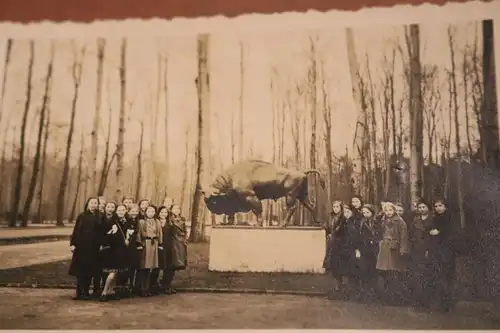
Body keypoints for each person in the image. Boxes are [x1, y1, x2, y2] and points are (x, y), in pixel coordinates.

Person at [422, 198, 457, 312]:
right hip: (435, 251)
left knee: (446, 276)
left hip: (447, 251)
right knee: (437, 276)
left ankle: (447, 303)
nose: (438, 208)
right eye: (436, 206)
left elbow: (453, 232)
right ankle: (439, 302)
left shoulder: (450, 217)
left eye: (440, 205)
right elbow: (429, 232)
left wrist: (440, 232)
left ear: (445, 206)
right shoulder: (434, 218)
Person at [375, 202, 409, 304]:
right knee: (384, 271)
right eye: (386, 210)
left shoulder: (400, 222)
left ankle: (394, 296)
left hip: (395, 248)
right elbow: (377, 229)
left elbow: (404, 236)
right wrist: (380, 241)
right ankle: (385, 296)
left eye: (390, 210)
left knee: (394, 272)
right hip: (384, 248)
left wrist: (403, 249)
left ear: (394, 210)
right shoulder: (383, 220)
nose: (388, 212)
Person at [68, 197, 101, 300]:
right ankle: (79, 292)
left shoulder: (99, 217)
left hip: (93, 248)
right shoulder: (82, 216)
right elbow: (76, 231)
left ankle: (86, 292)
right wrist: (72, 244)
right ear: (88, 204)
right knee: (80, 271)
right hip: (81, 247)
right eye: (92, 203)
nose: (93, 205)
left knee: (89, 271)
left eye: (95, 203)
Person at [99, 204, 130, 301]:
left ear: (126, 211)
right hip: (113, 250)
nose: (121, 212)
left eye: (123, 210)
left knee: (117, 272)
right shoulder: (113, 222)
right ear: (116, 211)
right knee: (112, 272)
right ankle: (104, 292)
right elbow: (107, 237)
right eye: (119, 210)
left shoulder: (126, 222)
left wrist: (128, 239)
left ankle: (111, 291)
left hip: (122, 250)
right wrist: (112, 233)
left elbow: (129, 233)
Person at [408, 199, 432, 307]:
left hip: (428, 249)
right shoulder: (415, 220)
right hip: (416, 250)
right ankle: (418, 299)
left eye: (424, 207)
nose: (422, 209)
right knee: (417, 274)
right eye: (420, 208)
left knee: (427, 273)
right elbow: (410, 234)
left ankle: (427, 299)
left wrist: (429, 249)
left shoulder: (433, 219)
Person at [159, 203, 188, 294]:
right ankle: (165, 285)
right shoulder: (170, 220)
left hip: (179, 244)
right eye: (175, 209)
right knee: (169, 265)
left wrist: (184, 240)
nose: (177, 211)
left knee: (173, 266)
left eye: (178, 209)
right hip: (171, 244)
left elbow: (184, 231)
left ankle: (167, 285)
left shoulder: (182, 219)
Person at [136, 205, 163, 297]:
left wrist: (160, 243)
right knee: (144, 267)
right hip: (146, 244)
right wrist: (139, 244)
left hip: (154, 244)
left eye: (152, 211)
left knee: (152, 267)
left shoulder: (157, 222)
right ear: (145, 212)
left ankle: (148, 288)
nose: (151, 213)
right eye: (149, 211)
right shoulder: (142, 222)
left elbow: (160, 233)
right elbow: (139, 233)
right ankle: (142, 288)